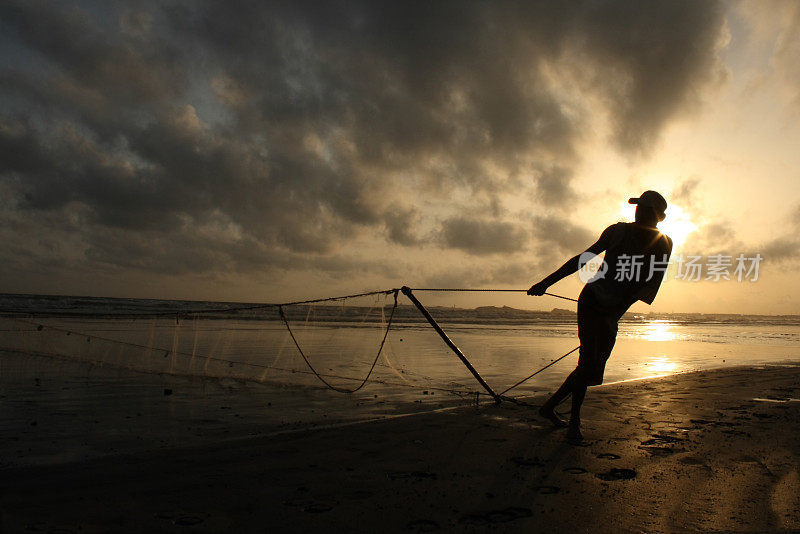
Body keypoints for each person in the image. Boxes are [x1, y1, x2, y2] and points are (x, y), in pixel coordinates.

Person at [528, 190, 673, 440]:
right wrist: (546, 283)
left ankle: (549, 407)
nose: (636, 211)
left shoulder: (663, 244)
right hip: (592, 300)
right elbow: (582, 260)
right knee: (587, 363)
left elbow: (647, 285)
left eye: (642, 208)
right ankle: (574, 424)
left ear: (653, 214)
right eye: (637, 207)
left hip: (613, 309)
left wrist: (614, 313)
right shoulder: (617, 231)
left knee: (593, 369)